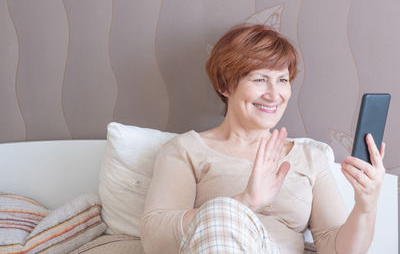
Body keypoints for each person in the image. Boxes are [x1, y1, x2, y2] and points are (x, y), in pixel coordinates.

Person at [140, 24, 386, 254]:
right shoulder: (186, 150)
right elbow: (154, 238)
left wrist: (366, 206)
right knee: (222, 213)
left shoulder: (311, 158)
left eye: (282, 80)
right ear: (225, 86)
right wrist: (243, 202)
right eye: (259, 79)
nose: (274, 94)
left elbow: (338, 249)